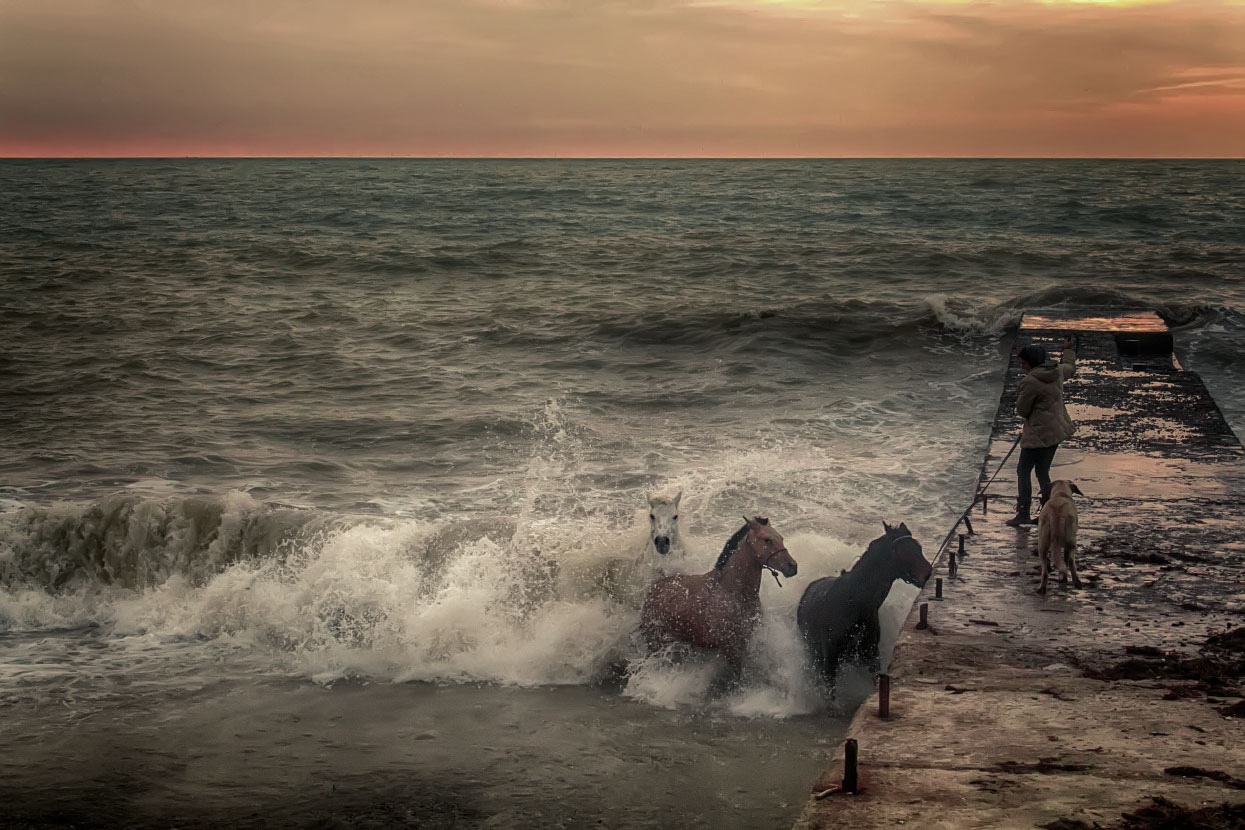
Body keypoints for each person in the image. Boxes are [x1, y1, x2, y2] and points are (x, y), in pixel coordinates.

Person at [1005, 335, 1077, 527]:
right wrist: (1068, 349)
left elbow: (1022, 410)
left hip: (1038, 434)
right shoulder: (1056, 371)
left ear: (1031, 363)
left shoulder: (1030, 382)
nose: (1022, 366)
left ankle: (1023, 513)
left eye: (1024, 362)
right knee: (1042, 471)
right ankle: (1047, 512)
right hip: (1055, 431)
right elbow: (1070, 367)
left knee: (1023, 470)